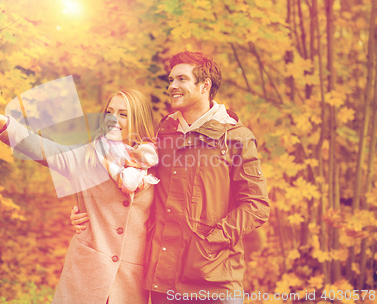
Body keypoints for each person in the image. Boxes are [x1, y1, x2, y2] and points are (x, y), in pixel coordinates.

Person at [71, 51, 270, 303]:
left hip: (213, 281)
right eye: (170, 80)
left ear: (205, 85)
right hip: (162, 281)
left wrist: (210, 242)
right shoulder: (164, 133)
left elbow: (256, 205)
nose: (172, 86)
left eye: (181, 79)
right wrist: (86, 212)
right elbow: (133, 185)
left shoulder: (236, 137)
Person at [0, 89, 159, 304]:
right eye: (109, 112)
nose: (113, 119)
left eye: (123, 114)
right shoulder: (88, 156)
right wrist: (4, 123)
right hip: (87, 277)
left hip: (131, 283)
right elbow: (43, 149)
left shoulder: (155, 163)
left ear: (139, 119)